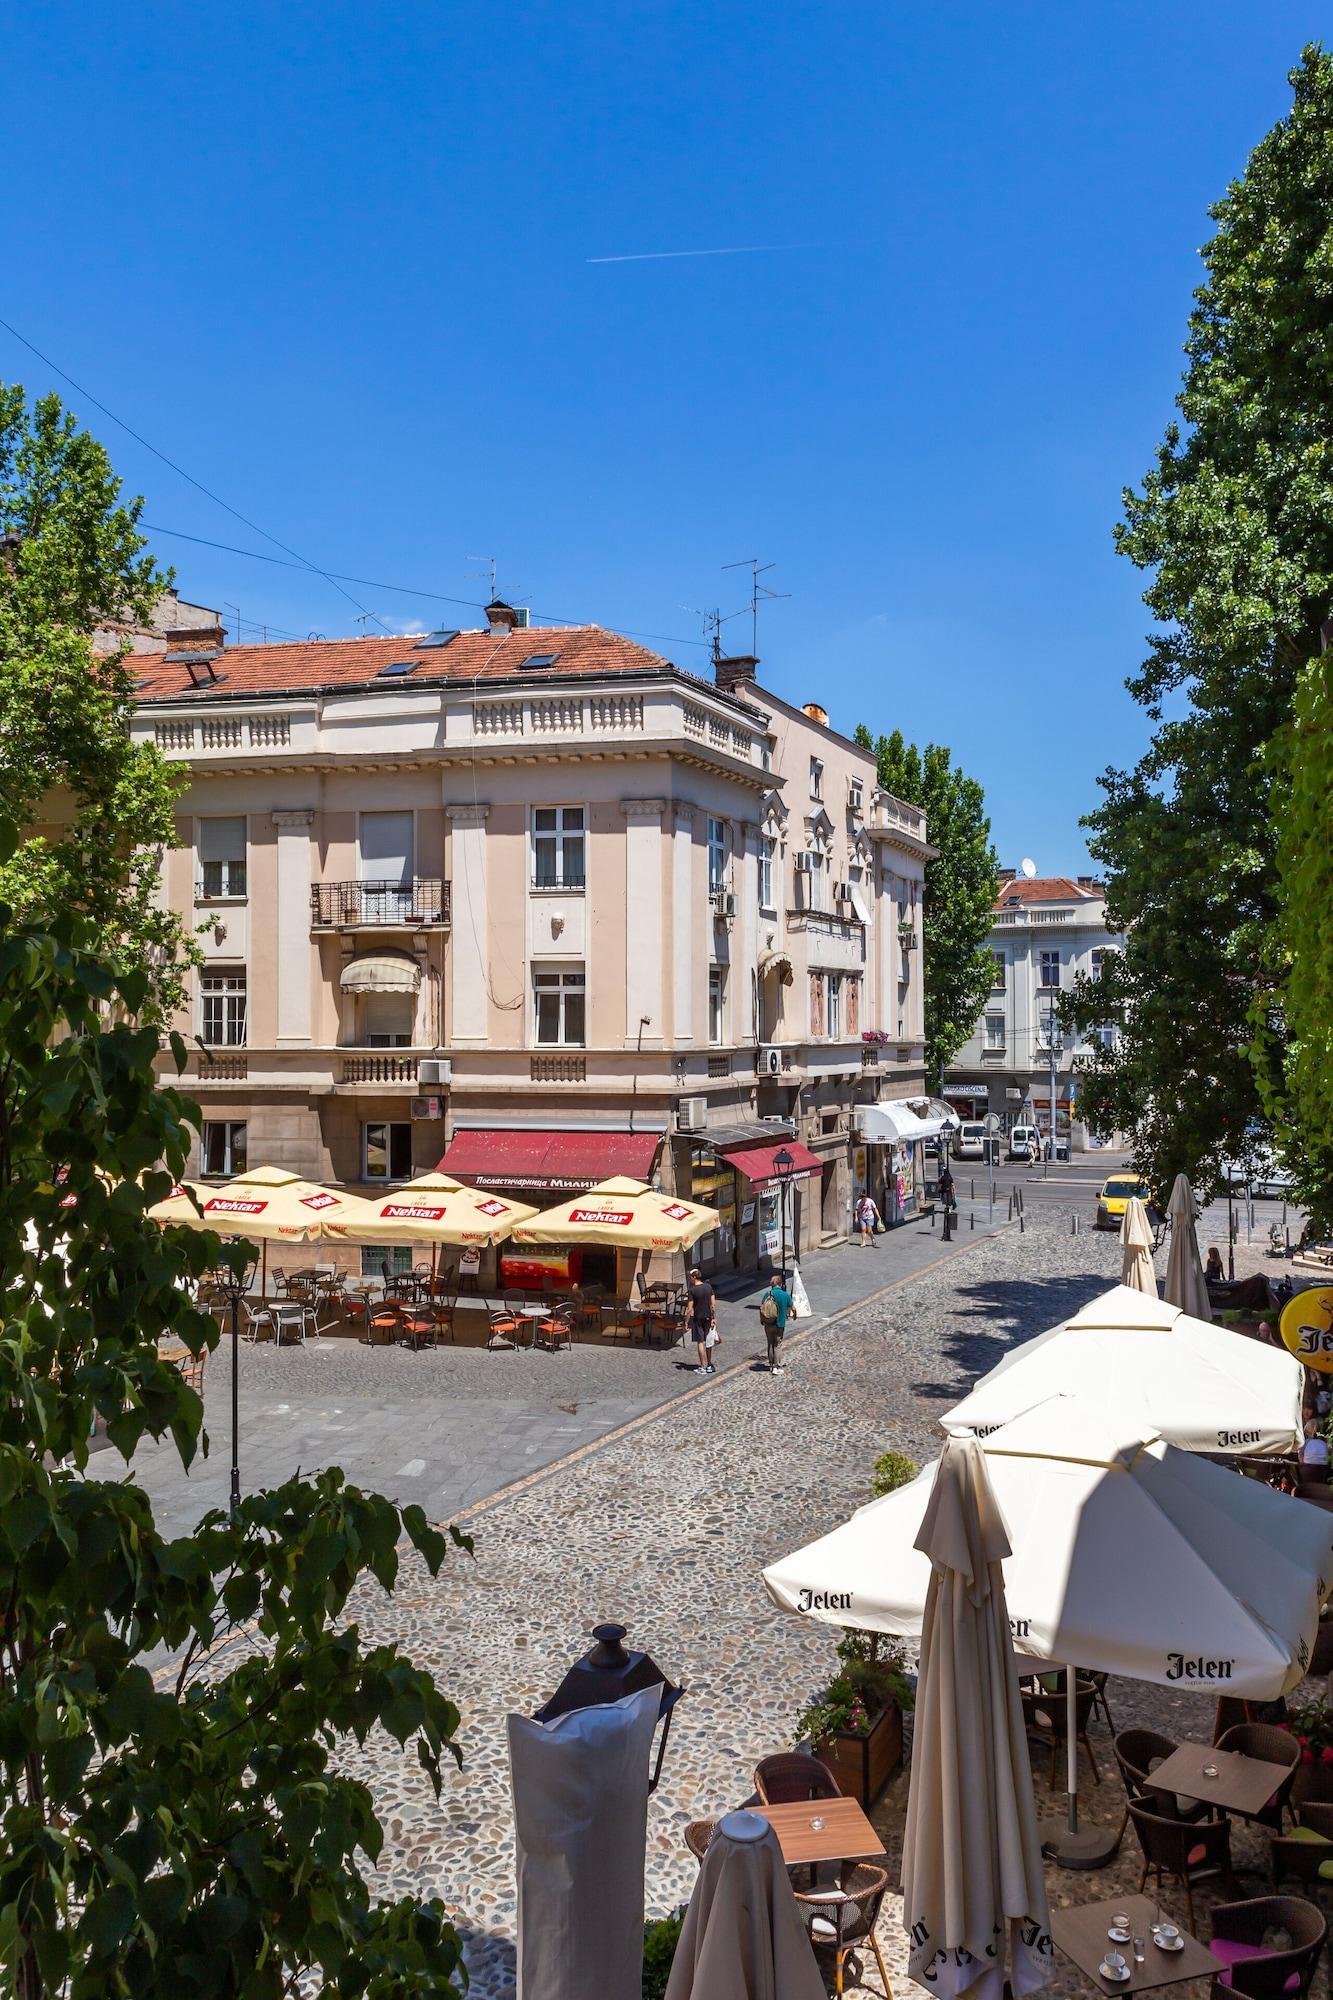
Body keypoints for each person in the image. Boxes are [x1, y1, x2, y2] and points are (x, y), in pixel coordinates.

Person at [759, 1272, 793, 1372]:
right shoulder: (785, 1295)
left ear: (772, 1284)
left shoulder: (767, 1294)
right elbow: (792, 1307)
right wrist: (794, 1315)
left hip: (768, 1323)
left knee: (770, 1343)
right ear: (780, 1284)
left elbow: (762, 1308)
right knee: (777, 1344)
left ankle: (770, 1365)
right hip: (780, 1324)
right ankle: (777, 1366)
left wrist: (762, 1320)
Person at [687, 1266, 718, 1375]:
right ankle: (709, 1365)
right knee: (709, 1342)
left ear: (694, 1277)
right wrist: (714, 1318)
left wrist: (686, 1322)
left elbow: (690, 1308)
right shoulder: (708, 1287)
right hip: (709, 1318)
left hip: (698, 1319)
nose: (690, 1279)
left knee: (700, 1342)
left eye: (691, 1277)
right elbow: (713, 1305)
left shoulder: (692, 1290)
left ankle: (702, 1367)